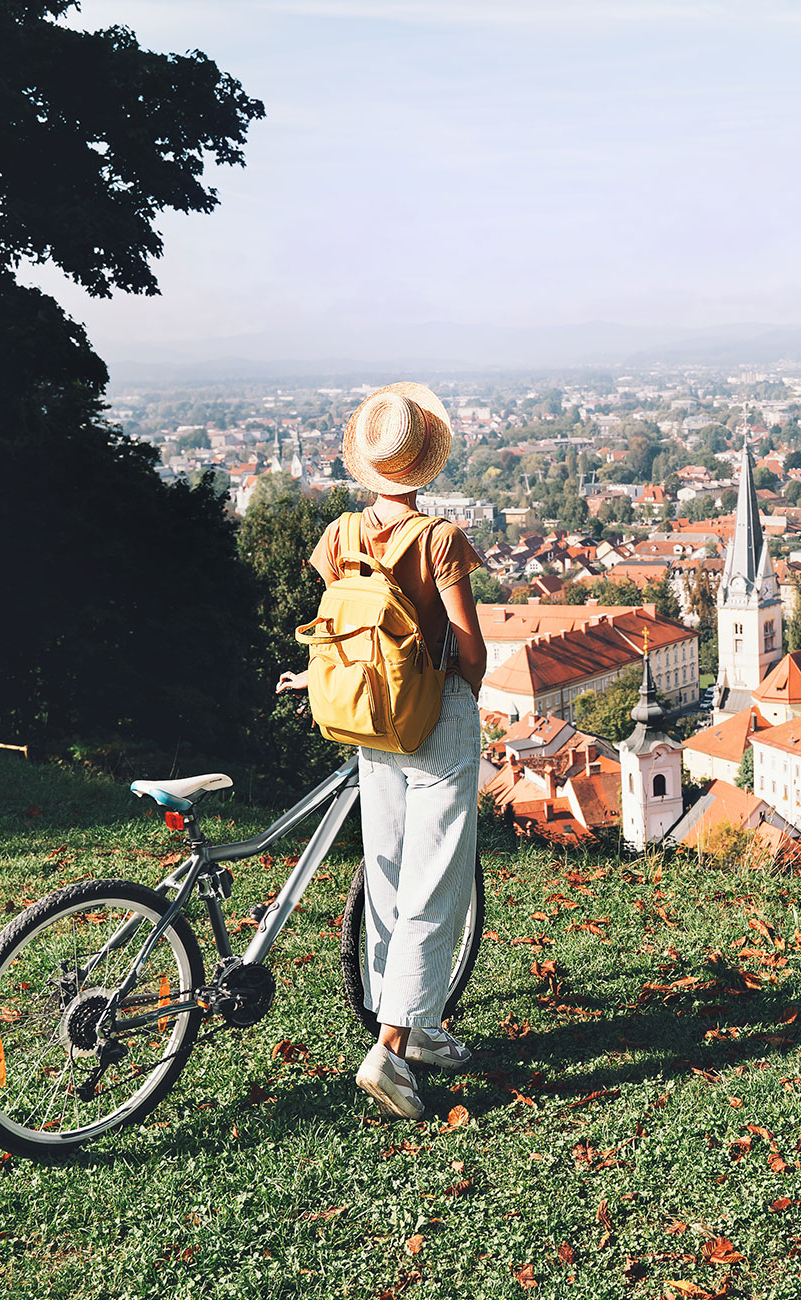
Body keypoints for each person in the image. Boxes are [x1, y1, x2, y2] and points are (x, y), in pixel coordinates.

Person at [275, 382, 487, 1120]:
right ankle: (393, 1048)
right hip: (433, 719)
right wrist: (456, 677)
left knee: (389, 874)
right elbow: (472, 654)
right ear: (425, 463)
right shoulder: (439, 540)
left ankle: (410, 1023)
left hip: (366, 718)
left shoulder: (338, 536)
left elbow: (343, 627)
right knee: (436, 882)